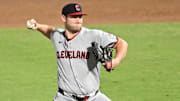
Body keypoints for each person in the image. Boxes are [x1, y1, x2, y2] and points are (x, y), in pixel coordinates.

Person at [26, 3, 128, 101]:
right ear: (63, 18)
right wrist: (38, 26)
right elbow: (50, 31)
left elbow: (122, 43)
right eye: (74, 17)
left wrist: (116, 61)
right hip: (64, 98)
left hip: (94, 97)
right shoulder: (57, 36)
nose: (78, 20)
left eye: (80, 17)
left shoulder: (94, 36)